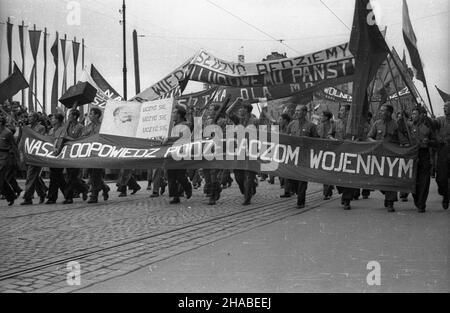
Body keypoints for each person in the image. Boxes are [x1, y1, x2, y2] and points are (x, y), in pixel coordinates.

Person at [367, 104, 407, 212]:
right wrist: (375, 143)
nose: (380, 112)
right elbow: (369, 137)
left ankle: (390, 202)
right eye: (380, 110)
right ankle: (387, 194)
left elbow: (403, 141)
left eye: (382, 111)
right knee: (378, 180)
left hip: (392, 158)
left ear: (389, 113)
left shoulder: (396, 125)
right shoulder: (377, 123)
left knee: (390, 180)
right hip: (379, 157)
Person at [226, 99, 259, 205]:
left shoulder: (255, 121)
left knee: (248, 176)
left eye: (242, 108)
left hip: (252, 151)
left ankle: (247, 197)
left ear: (246, 110)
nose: (239, 110)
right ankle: (248, 190)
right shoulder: (238, 120)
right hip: (239, 151)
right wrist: (236, 102)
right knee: (238, 176)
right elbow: (228, 112)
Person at [286, 104, 319, 209]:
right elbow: (285, 138)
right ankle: (297, 192)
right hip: (292, 156)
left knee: (302, 180)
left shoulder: (311, 126)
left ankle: (301, 201)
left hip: (305, 157)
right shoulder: (291, 124)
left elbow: (317, 142)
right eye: (295, 111)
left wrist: (308, 141)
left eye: (299, 111)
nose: (296, 112)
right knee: (292, 179)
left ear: (305, 113)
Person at [405, 107, 435, 212]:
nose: (413, 116)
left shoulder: (427, 127)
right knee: (413, 179)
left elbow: (435, 141)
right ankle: (417, 199)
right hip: (412, 154)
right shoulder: (408, 125)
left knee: (424, 180)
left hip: (424, 153)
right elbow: (401, 130)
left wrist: (429, 141)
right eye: (412, 114)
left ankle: (422, 203)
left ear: (421, 115)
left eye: (415, 114)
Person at [329, 105, 358, 210]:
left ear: (348, 112)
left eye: (342, 110)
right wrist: (333, 140)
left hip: (350, 154)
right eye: (340, 110)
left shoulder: (354, 124)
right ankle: (344, 193)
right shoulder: (335, 123)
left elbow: (360, 137)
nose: (340, 112)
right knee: (337, 176)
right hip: (338, 153)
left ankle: (347, 199)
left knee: (348, 177)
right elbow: (329, 135)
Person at [82, 107, 110, 203]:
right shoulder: (88, 126)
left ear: (97, 115)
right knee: (93, 174)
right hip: (89, 153)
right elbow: (83, 137)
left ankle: (94, 196)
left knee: (95, 174)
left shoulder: (103, 126)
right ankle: (105, 188)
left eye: (91, 114)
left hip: (99, 153)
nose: (89, 115)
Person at [167, 106, 193, 204]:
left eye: (174, 112)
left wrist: (169, 139)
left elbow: (181, 137)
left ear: (179, 114)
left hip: (182, 153)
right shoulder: (173, 125)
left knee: (180, 175)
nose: (172, 114)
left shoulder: (186, 125)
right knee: (170, 175)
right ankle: (174, 196)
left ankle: (187, 187)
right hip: (171, 152)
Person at [21, 112, 48, 205]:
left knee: (30, 176)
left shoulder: (41, 128)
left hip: (36, 155)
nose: (29, 118)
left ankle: (27, 198)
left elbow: (41, 139)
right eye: (28, 116)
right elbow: (23, 140)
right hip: (27, 154)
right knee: (34, 177)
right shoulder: (27, 127)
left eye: (31, 116)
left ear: (36, 118)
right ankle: (42, 193)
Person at [63, 109, 89, 204]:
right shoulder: (67, 126)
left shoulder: (81, 127)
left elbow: (82, 140)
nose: (68, 116)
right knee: (70, 176)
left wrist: (68, 138)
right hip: (67, 154)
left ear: (74, 116)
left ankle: (69, 197)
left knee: (72, 177)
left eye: (70, 115)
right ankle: (84, 188)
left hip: (76, 154)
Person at [46, 113, 67, 204]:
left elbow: (63, 142)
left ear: (58, 120)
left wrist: (58, 150)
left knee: (55, 176)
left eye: (53, 118)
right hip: (51, 155)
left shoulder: (63, 130)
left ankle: (52, 197)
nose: (51, 119)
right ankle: (68, 195)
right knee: (58, 177)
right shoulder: (51, 130)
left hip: (59, 155)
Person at [434, 101, 450, 210]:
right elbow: (432, 124)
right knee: (440, 178)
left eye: (447, 106)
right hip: (442, 152)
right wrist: (425, 117)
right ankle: (444, 194)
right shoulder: (440, 120)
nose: (444, 108)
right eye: (444, 106)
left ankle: (447, 197)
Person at [317, 110, 335, 200]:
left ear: (326, 117)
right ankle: (329, 187)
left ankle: (326, 192)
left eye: (322, 115)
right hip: (321, 150)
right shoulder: (319, 126)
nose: (320, 117)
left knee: (327, 171)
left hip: (331, 151)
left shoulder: (332, 125)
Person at [0, 115, 17, 206]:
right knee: (2, 180)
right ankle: (11, 196)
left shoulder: (8, 133)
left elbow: (14, 146)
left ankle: (10, 196)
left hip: (5, 157)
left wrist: (16, 159)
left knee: (1, 177)